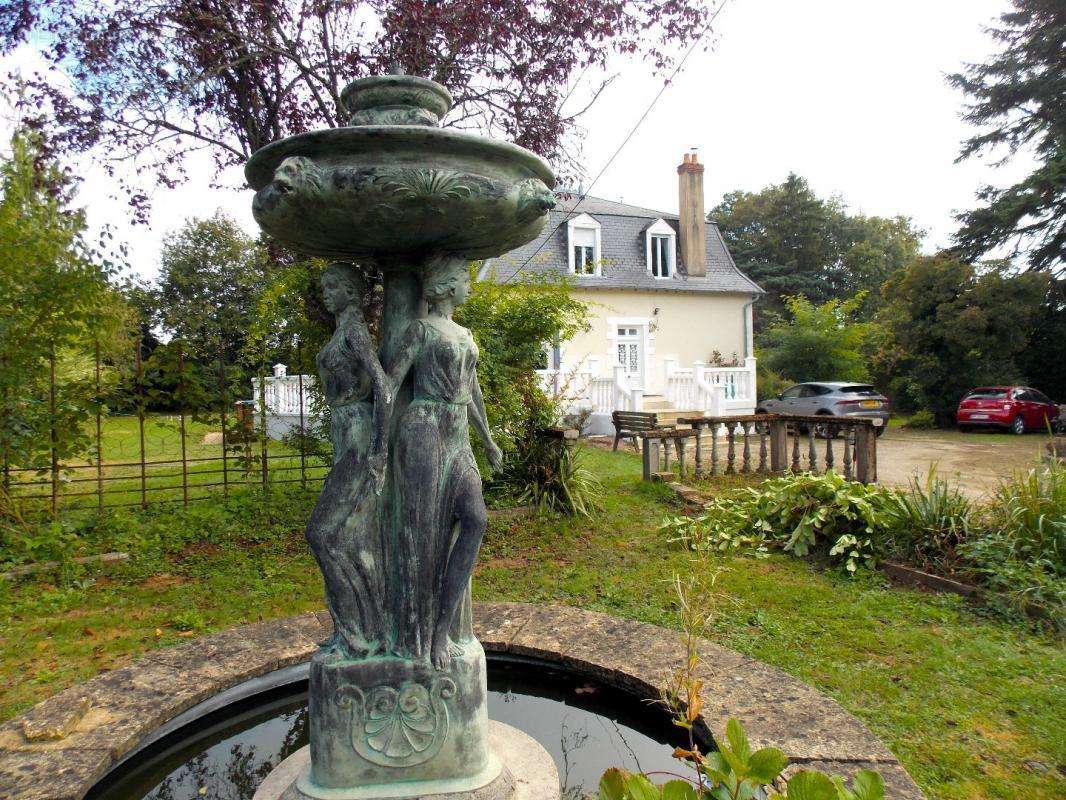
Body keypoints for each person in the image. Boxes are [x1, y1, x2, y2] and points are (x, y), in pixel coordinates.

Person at [387, 255, 502, 670]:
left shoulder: (465, 334)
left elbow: (472, 391)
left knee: (476, 520)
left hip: (457, 434)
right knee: (424, 535)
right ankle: (418, 633)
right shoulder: (419, 330)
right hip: (423, 431)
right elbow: (390, 387)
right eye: (465, 281)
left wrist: (488, 441)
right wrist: (376, 448)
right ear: (449, 287)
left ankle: (443, 626)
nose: (470, 287)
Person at [306, 262, 392, 659]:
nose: (326, 292)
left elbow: (384, 389)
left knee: (323, 535)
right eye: (325, 285)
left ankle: (359, 632)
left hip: (357, 436)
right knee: (350, 540)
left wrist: (378, 452)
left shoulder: (355, 332)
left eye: (333, 285)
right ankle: (355, 632)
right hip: (345, 433)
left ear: (353, 292)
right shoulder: (342, 330)